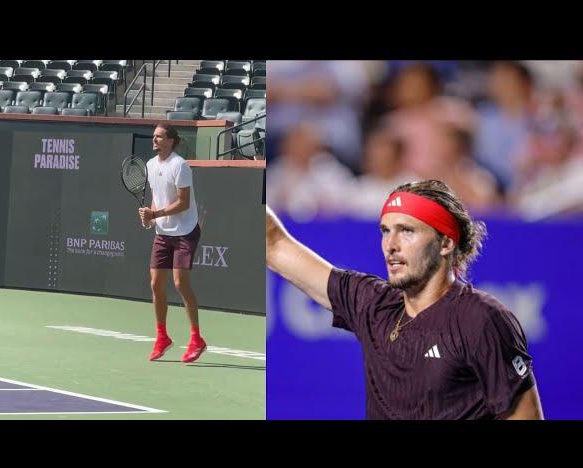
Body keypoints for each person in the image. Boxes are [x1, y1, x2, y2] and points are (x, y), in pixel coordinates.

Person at [266, 179, 544, 420]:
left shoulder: (482, 319)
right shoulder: (372, 304)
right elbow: (274, 244)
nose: (391, 245)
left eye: (406, 231)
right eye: (386, 230)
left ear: (446, 243)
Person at [139, 124, 206, 363]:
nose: (154, 139)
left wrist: (155, 215)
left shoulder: (181, 165)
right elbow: (158, 199)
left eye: (159, 136)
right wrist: (150, 215)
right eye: (154, 136)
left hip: (186, 231)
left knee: (180, 282)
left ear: (171, 141)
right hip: (163, 231)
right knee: (156, 284)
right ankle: (161, 337)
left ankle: (196, 338)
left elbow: (183, 203)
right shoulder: (149, 165)